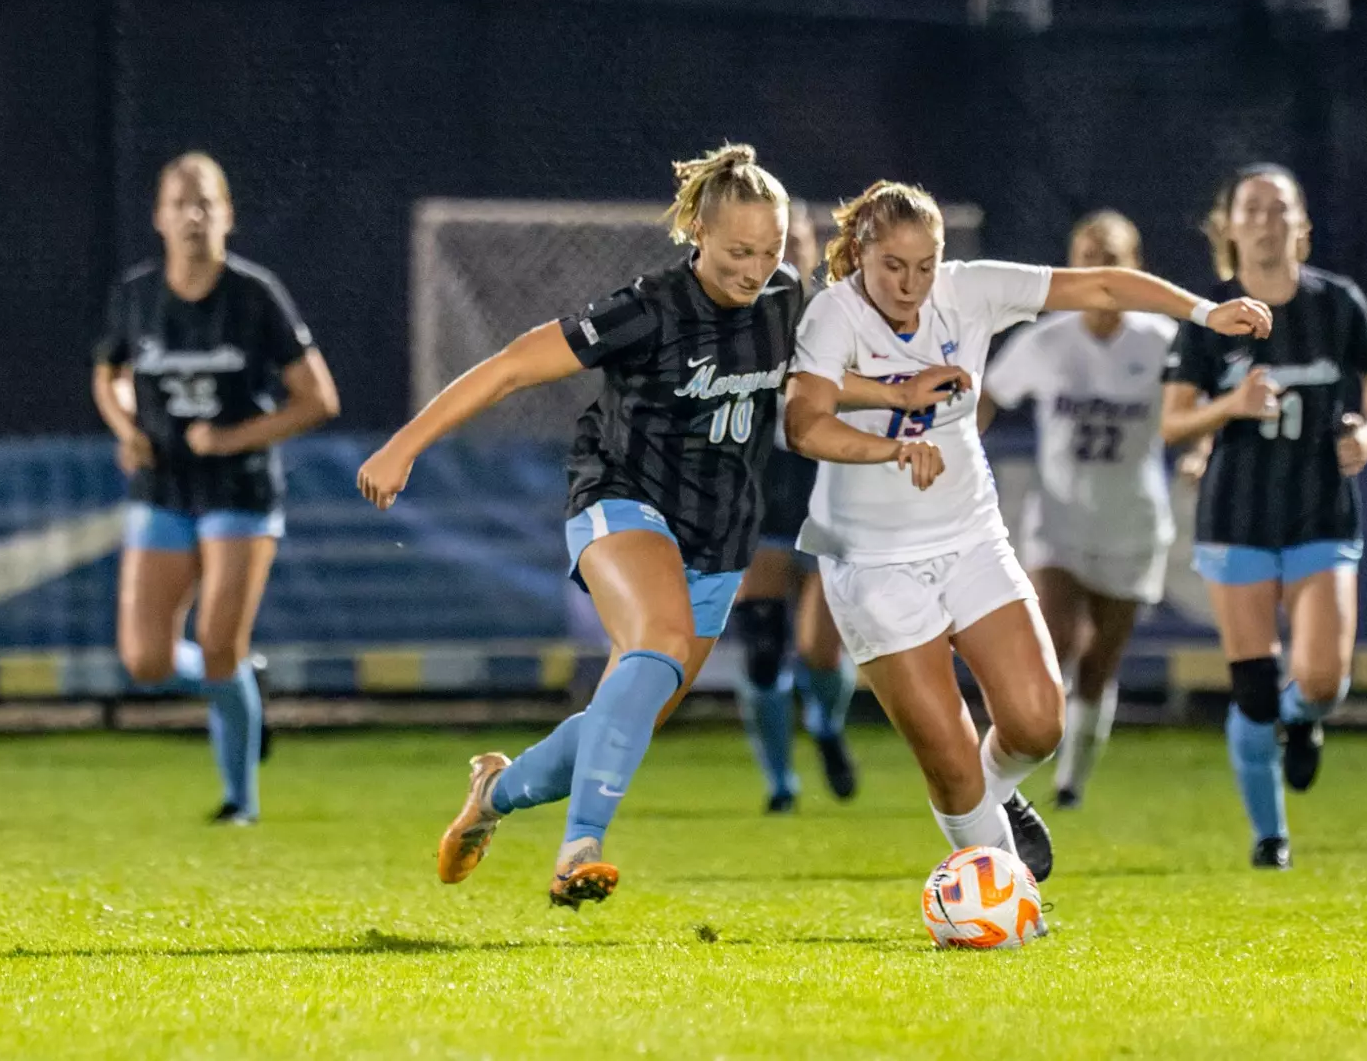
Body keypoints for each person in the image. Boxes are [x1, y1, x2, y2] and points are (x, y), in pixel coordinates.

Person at [355, 145, 946, 907]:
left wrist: (897, 394)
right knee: (658, 645)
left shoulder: (782, 299)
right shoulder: (644, 309)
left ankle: (494, 793)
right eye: (738, 250)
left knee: (625, 714)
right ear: (697, 231)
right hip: (621, 500)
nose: (754, 268)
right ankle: (579, 849)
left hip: (721, 537)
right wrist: (404, 446)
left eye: (767, 251)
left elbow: (811, 385)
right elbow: (508, 365)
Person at [784, 181, 1271, 881]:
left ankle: (995, 798)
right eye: (893, 265)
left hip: (969, 533)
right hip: (870, 557)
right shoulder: (833, 315)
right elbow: (804, 423)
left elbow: (1101, 287)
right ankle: (1005, 896)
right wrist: (893, 440)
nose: (910, 284)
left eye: (925, 266)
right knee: (948, 757)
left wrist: (1203, 309)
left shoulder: (969, 291)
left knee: (1038, 723)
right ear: (860, 250)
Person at [91, 152, 342, 825]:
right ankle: (239, 682)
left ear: (227, 215)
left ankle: (241, 805)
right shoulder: (138, 294)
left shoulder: (254, 295)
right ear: (159, 217)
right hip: (162, 484)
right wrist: (124, 424)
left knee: (217, 642)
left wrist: (232, 438)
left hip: (239, 489)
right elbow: (108, 373)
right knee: (145, 660)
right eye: (180, 202)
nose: (193, 215)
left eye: (206, 202)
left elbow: (318, 398)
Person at [1161, 163, 1367, 870]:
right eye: (1252, 209)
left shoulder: (1337, 304)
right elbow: (1172, 422)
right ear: (1228, 226)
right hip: (1237, 514)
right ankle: (1270, 837)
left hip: (1320, 509)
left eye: (1279, 208)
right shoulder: (1210, 317)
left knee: (1322, 680)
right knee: (1253, 688)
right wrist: (1226, 408)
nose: (1266, 221)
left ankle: (1305, 722)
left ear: (1302, 225)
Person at [980, 210, 1179, 810]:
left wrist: (1202, 450)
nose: (1099, 271)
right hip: (1059, 520)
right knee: (1055, 642)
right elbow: (988, 394)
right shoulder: (1047, 339)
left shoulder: (1161, 341)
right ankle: (1002, 779)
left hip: (1134, 521)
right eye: (1088, 257)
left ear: (1135, 266)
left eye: (1111, 258)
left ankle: (1071, 783)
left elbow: (1196, 408)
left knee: (1099, 664)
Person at [727, 201, 858, 813]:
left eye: (793, 242)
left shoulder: (840, 316)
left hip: (827, 484)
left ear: (813, 250)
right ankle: (780, 782)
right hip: (762, 486)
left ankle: (828, 726)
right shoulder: (737, 318)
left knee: (819, 649)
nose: (783, 255)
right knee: (760, 642)